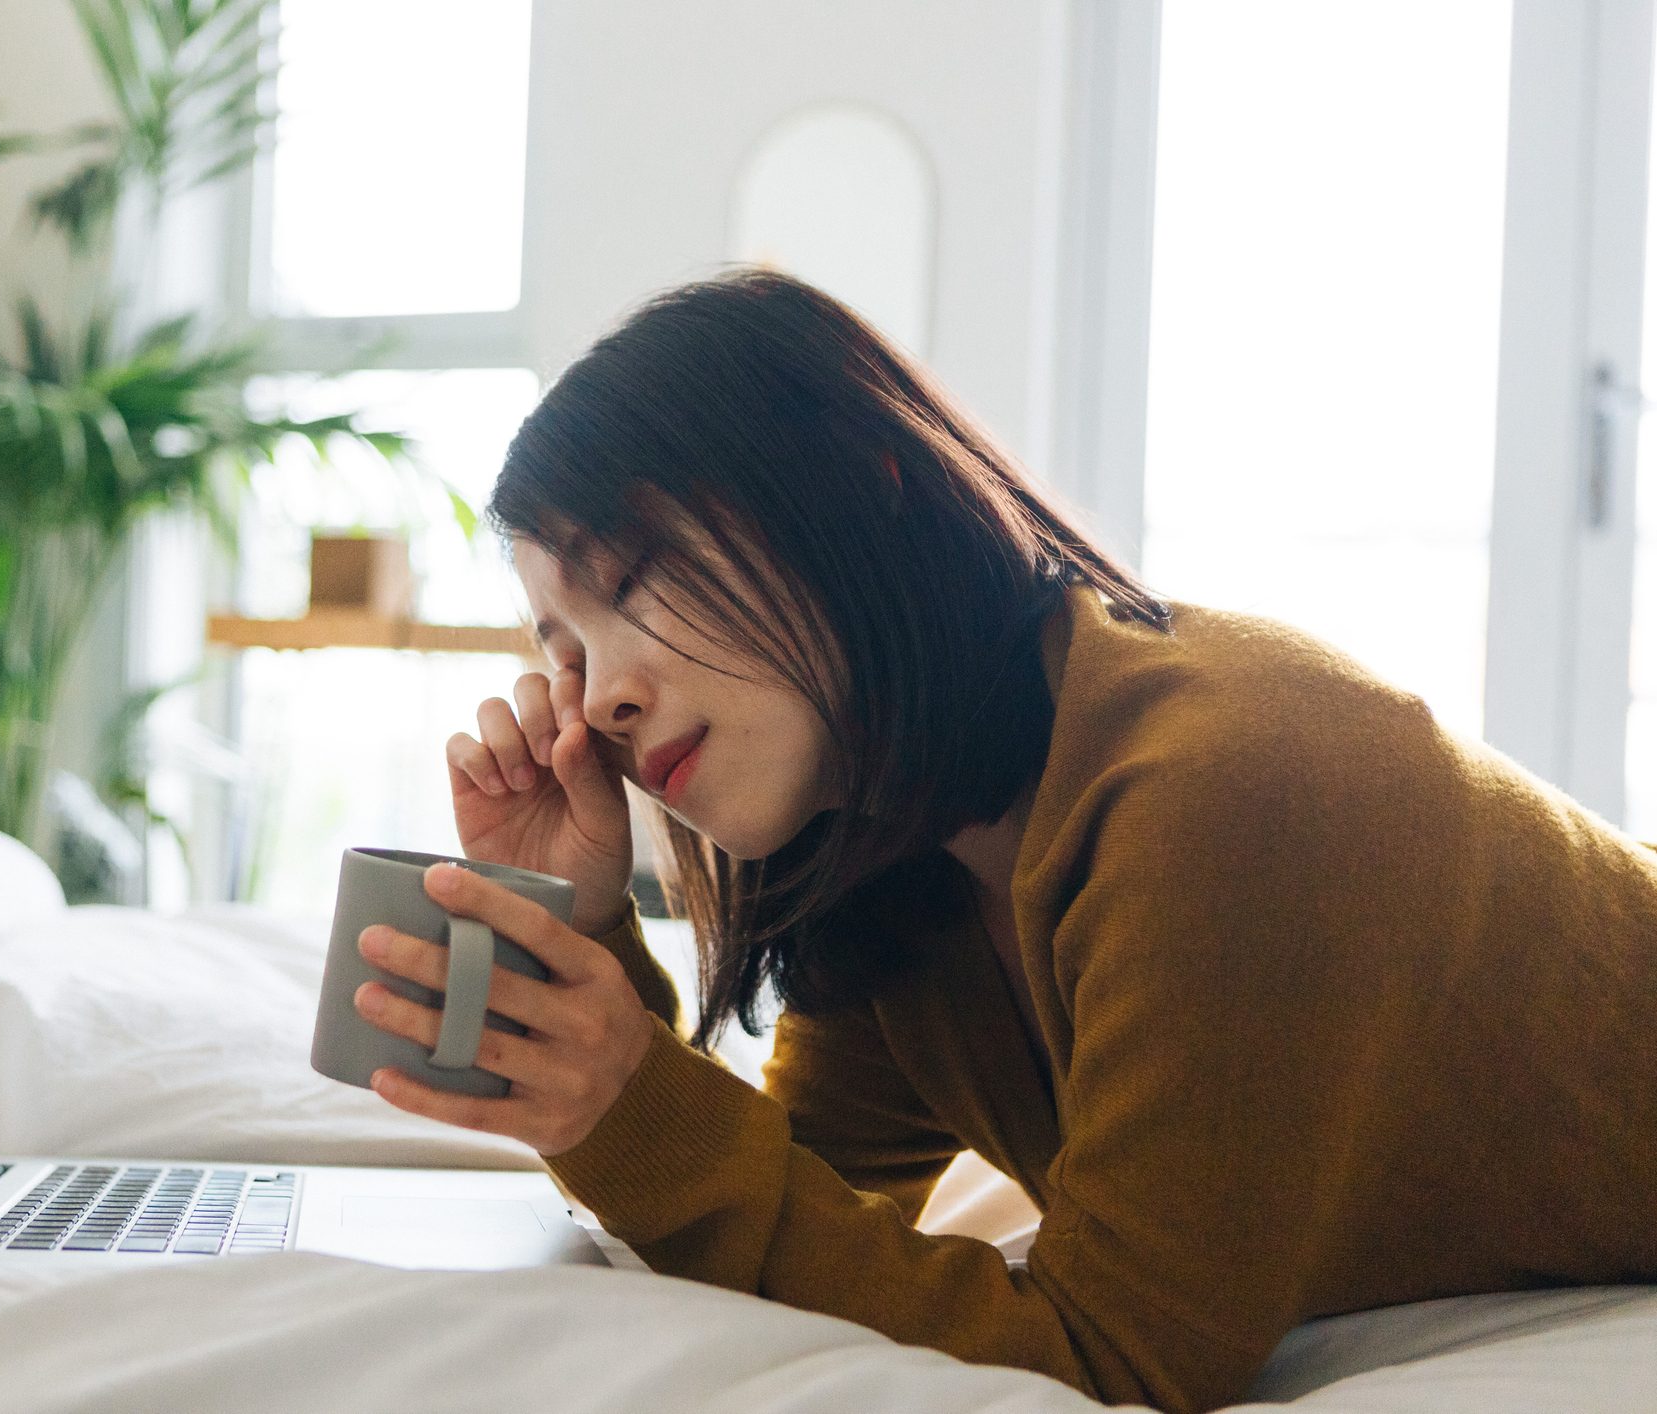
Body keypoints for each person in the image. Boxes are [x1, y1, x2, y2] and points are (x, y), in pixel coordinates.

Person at [345, 267, 1657, 1413]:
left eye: (631, 579)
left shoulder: (1222, 786)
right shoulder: (894, 858)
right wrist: (583, 931)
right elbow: (787, 1204)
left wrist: (635, 1104)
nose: (601, 696)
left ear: (864, 493)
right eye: (560, 649)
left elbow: (1115, 1361)